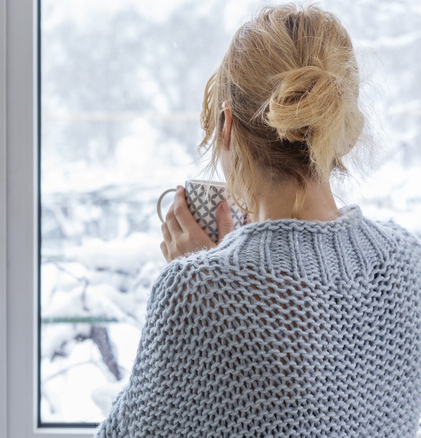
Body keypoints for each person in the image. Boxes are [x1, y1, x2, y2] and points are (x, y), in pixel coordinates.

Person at [96, 4, 421, 437]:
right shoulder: (408, 262)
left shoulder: (196, 293)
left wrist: (200, 277)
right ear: (343, 126)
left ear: (227, 126)